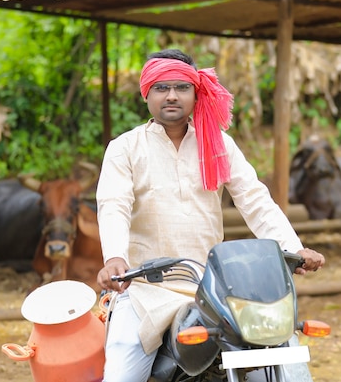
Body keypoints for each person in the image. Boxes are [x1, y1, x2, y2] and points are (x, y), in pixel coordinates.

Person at [95, 48, 325, 382]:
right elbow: (114, 203)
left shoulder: (218, 143)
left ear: (195, 92)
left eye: (181, 87)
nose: (171, 95)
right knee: (121, 370)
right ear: (147, 94)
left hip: (214, 286)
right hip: (146, 285)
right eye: (161, 87)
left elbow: (254, 198)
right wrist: (115, 257)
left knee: (279, 356)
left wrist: (293, 248)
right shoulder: (125, 148)